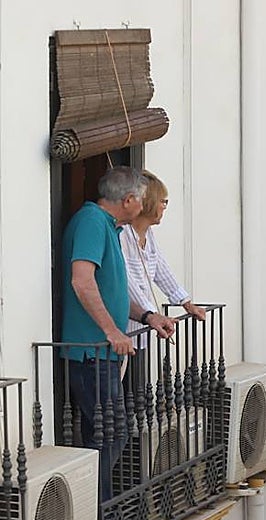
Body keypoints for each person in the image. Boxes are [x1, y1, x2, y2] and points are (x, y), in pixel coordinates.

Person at [61, 166, 175, 500]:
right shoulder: (92, 223)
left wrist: (148, 315)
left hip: (100, 353)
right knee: (113, 435)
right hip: (91, 352)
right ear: (128, 200)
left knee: (107, 435)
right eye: (141, 199)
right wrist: (113, 332)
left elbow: (113, 292)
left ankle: (96, 514)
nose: (144, 205)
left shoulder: (108, 226)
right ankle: (92, 512)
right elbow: (81, 281)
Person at [119, 170, 205, 344]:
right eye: (163, 202)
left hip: (141, 326)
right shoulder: (122, 234)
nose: (164, 207)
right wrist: (152, 315)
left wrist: (186, 302)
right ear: (149, 202)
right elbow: (127, 283)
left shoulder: (148, 234)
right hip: (124, 327)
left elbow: (162, 271)